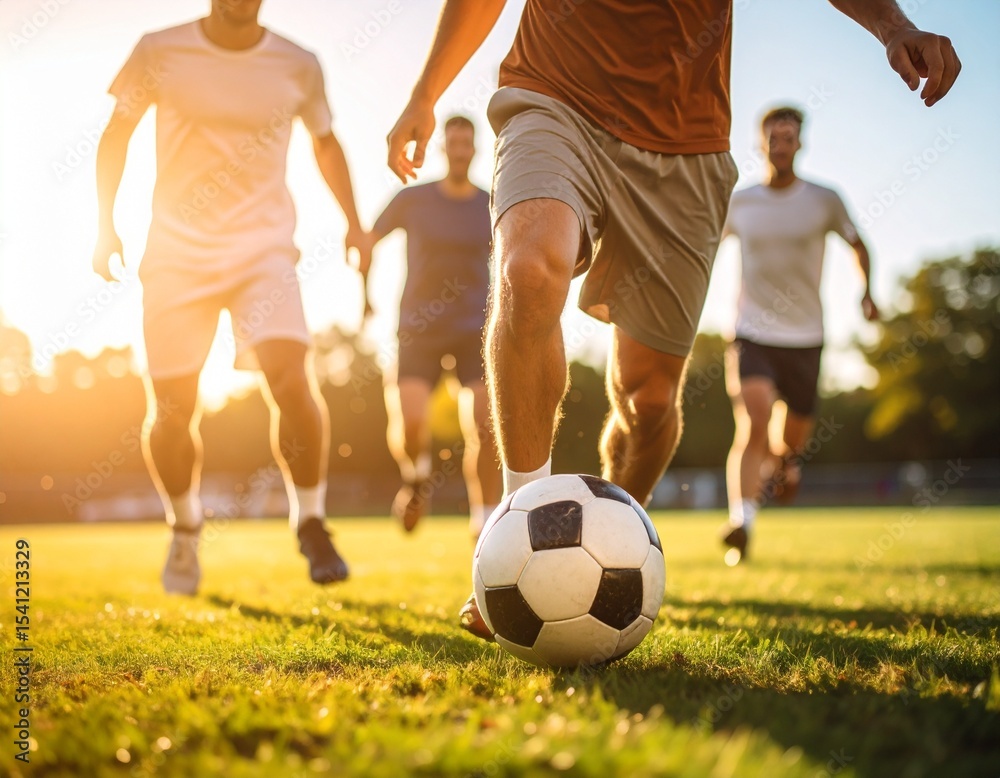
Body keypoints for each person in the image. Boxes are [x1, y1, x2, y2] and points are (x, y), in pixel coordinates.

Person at [384, 0, 960, 639]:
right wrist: (424, 90)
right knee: (527, 270)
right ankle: (514, 536)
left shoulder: (820, 200)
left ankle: (610, 540)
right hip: (556, 94)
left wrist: (895, 26)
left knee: (649, 402)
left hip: (685, 143)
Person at [92, 0, 365, 594]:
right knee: (171, 410)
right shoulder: (158, 49)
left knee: (291, 378)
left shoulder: (299, 63)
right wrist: (104, 223)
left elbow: (326, 143)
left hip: (262, 251)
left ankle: (312, 521)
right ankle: (186, 526)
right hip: (175, 252)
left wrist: (354, 223)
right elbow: (118, 130)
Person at [720, 106, 880, 564]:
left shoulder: (824, 199)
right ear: (761, 143)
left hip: (806, 337)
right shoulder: (741, 201)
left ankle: (785, 465)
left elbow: (857, 243)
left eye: (788, 138)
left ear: (799, 144)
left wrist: (867, 292)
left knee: (789, 446)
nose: (780, 145)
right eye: (773, 138)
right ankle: (742, 522)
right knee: (752, 423)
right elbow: (705, 245)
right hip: (751, 332)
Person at [361, 116, 502, 538]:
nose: (460, 150)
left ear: (475, 150)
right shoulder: (413, 199)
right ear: (443, 148)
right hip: (419, 325)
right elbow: (369, 240)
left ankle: (485, 520)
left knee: (484, 422)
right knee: (413, 421)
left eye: (467, 143)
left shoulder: (491, 203)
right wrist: (363, 295)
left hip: (475, 324)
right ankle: (417, 477)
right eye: (453, 143)